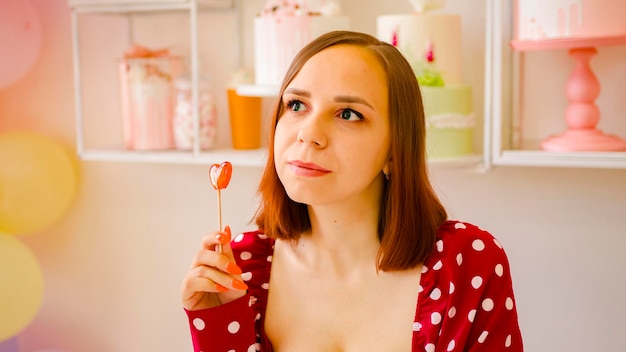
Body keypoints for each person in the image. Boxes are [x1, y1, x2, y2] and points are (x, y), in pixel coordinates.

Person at [181, 30, 523, 352]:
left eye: (348, 114)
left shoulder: (468, 264)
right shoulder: (240, 270)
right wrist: (216, 325)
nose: (309, 134)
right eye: (296, 105)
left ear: (395, 148)